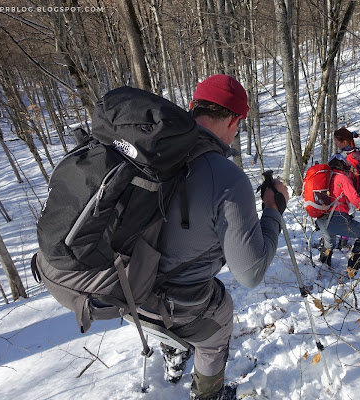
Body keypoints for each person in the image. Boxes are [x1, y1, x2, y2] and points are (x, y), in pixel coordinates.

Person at [139, 74, 289, 400]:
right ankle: (208, 395)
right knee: (219, 314)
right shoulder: (227, 179)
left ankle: (174, 358)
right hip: (178, 304)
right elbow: (249, 273)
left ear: (192, 107)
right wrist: (274, 211)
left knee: (173, 286)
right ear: (235, 121)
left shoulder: (149, 150)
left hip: (129, 289)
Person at [316, 151, 360, 271]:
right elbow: (357, 202)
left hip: (321, 220)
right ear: (343, 165)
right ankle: (354, 268)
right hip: (338, 219)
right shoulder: (342, 179)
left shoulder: (324, 178)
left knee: (329, 242)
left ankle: (322, 268)